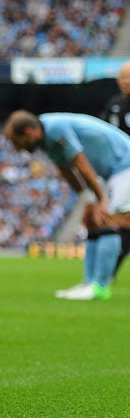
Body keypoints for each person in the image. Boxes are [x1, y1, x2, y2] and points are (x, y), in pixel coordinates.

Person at [4, 110, 130, 301]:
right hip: (110, 172)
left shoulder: (56, 129)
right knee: (91, 220)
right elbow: (65, 169)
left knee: (106, 218)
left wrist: (101, 199)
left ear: (29, 132)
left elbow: (80, 163)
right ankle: (89, 282)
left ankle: (101, 287)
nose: (17, 148)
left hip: (125, 165)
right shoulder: (46, 138)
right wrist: (87, 198)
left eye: (16, 142)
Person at [99, 60, 130, 277]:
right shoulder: (114, 105)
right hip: (121, 174)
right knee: (119, 221)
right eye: (122, 78)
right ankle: (107, 271)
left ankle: (108, 271)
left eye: (129, 78)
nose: (126, 82)